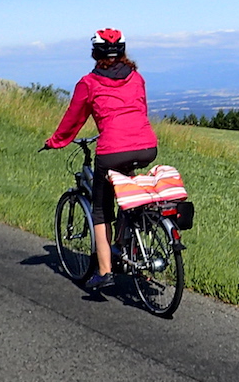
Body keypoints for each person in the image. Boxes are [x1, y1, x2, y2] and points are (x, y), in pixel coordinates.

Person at [44, 28, 158, 290]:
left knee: (100, 209)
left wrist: (55, 142)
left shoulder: (89, 83)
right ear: (123, 51)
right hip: (147, 146)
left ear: (95, 53)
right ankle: (132, 247)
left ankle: (105, 271)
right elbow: (140, 110)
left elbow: (73, 119)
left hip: (113, 150)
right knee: (128, 196)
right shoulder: (137, 77)